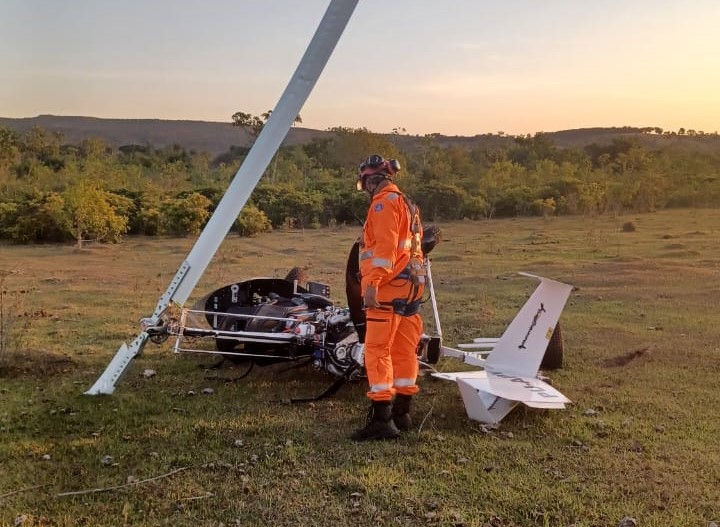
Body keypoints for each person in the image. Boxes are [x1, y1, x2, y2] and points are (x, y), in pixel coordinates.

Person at [350, 154, 426, 441]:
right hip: (411, 288)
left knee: (377, 350)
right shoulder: (407, 202)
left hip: (388, 288)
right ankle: (402, 413)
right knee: (405, 351)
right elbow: (410, 246)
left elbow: (385, 249)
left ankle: (381, 419)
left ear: (370, 180)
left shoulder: (382, 204)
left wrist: (371, 285)